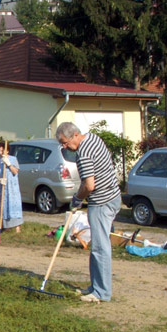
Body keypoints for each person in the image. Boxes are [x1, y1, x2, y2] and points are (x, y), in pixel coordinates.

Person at [56, 122, 121, 303]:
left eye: (65, 142)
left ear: (75, 135)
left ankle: (101, 293)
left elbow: (89, 185)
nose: (65, 147)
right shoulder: (94, 138)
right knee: (98, 247)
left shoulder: (83, 154)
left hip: (102, 203)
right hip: (113, 197)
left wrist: (77, 199)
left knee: (100, 248)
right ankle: (96, 286)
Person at [0, 141, 23, 233]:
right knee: (4, 207)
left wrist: (9, 164)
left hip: (12, 188)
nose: (0, 153)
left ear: (7, 151)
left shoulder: (13, 159)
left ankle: (17, 227)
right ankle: (6, 227)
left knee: (14, 205)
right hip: (3, 187)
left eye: (2, 151)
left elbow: (15, 171)